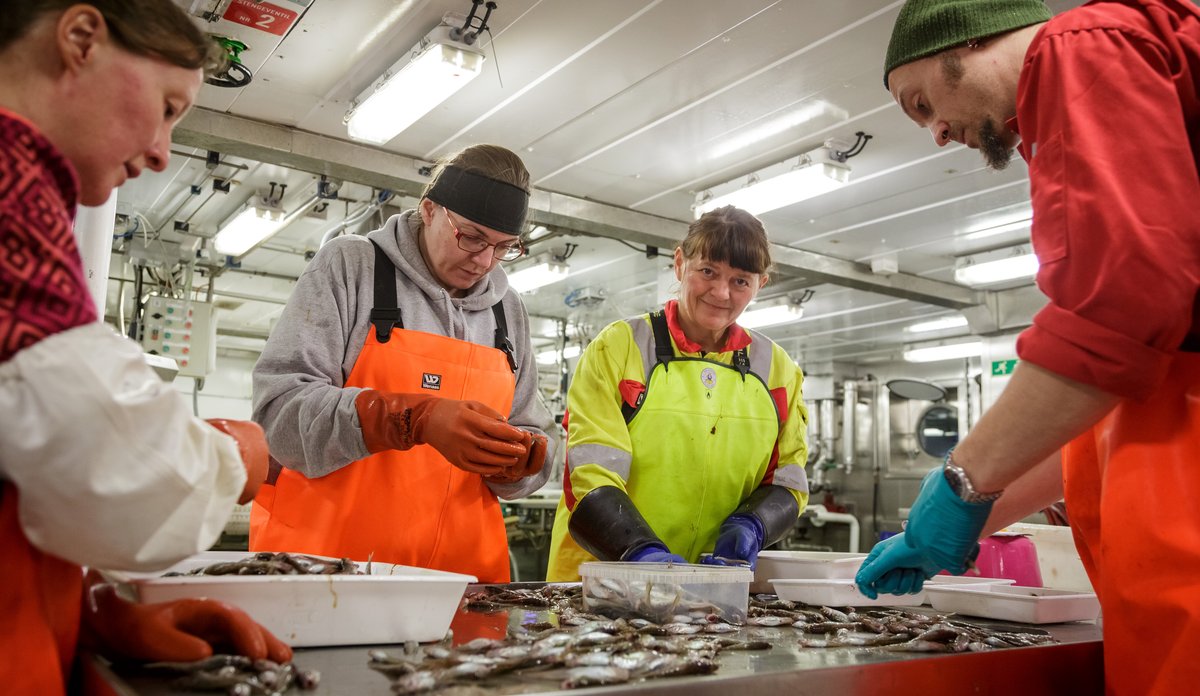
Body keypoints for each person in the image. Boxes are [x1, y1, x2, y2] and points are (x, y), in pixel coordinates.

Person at [854, 1, 1200, 693]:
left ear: (969, 32)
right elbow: (1106, 396)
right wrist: (974, 511)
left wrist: (962, 479)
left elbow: (1115, 314)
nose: (937, 133)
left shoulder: (1081, 46)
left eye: (921, 103)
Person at [0, 2, 292, 693]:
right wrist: (234, 455)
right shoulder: (11, 191)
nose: (163, 150)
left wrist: (94, 613)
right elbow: (111, 469)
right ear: (79, 39)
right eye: (167, 106)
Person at [250, 144, 558, 583]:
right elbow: (279, 416)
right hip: (329, 576)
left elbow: (537, 432)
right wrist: (411, 418)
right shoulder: (350, 267)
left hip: (461, 584)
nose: (485, 261)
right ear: (429, 209)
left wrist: (521, 463)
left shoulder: (507, 310)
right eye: (471, 237)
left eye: (504, 247)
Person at [545, 206, 810, 581]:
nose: (721, 292)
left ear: (760, 284)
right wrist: (639, 551)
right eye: (708, 272)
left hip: (711, 588)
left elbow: (789, 481)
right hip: (601, 580)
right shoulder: (620, 348)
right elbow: (590, 471)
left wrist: (752, 525)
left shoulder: (778, 371)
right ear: (680, 263)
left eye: (740, 281)